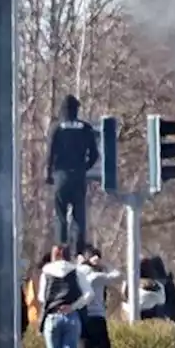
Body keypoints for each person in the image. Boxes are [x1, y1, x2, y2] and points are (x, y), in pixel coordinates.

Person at [38, 245, 93, 348]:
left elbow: (42, 297)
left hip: (52, 317)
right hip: (71, 317)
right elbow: (89, 294)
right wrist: (74, 306)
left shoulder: (46, 272)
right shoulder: (76, 271)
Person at [45, 94, 100, 255]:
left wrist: (49, 174)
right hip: (78, 176)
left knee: (61, 215)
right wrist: (84, 167)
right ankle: (79, 251)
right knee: (78, 216)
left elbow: (50, 154)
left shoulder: (56, 128)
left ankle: (61, 251)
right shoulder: (86, 128)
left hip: (61, 176)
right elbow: (95, 155)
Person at [77, 246, 121, 348]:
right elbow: (117, 275)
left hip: (83, 319)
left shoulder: (77, 273)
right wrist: (105, 264)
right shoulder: (96, 276)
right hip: (97, 318)